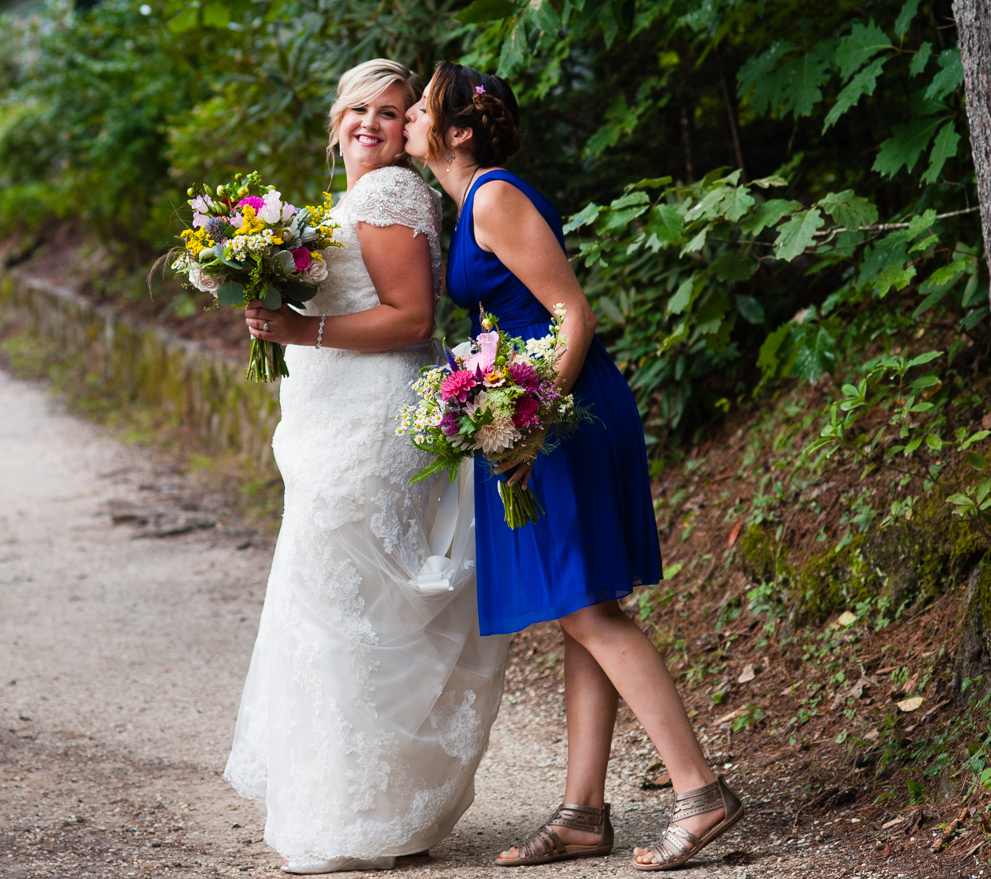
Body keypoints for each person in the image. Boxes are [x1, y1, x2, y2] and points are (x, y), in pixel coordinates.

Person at [404, 62, 745, 872]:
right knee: (578, 606)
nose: (410, 116)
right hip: (529, 404)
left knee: (592, 612)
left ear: (457, 131)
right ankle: (583, 813)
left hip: (562, 407)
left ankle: (701, 793)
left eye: (421, 107)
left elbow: (571, 313)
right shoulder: (468, 202)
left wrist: (530, 425)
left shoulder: (492, 194)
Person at [225, 59, 511, 874]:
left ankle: (366, 812)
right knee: (338, 604)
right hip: (329, 418)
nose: (371, 124)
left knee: (354, 605)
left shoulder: (388, 195)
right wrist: (272, 305)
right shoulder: (343, 205)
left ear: (409, 131)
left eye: (391, 113)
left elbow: (411, 317)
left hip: (371, 422)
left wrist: (297, 332)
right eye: (358, 109)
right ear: (334, 119)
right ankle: (363, 806)